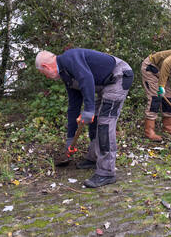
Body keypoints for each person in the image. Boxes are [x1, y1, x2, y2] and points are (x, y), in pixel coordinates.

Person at [35, 49, 134, 188]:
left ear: (45, 67)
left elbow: (86, 78)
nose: (46, 77)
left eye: (43, 73)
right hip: (104, 85)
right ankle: (94, 158)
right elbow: (73, 107)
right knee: (95, 121)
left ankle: (107, 172)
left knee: (105, 123)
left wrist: (88, 109)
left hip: (118, 77)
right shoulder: (66, 74)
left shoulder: (70, 58)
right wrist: (70, 138)